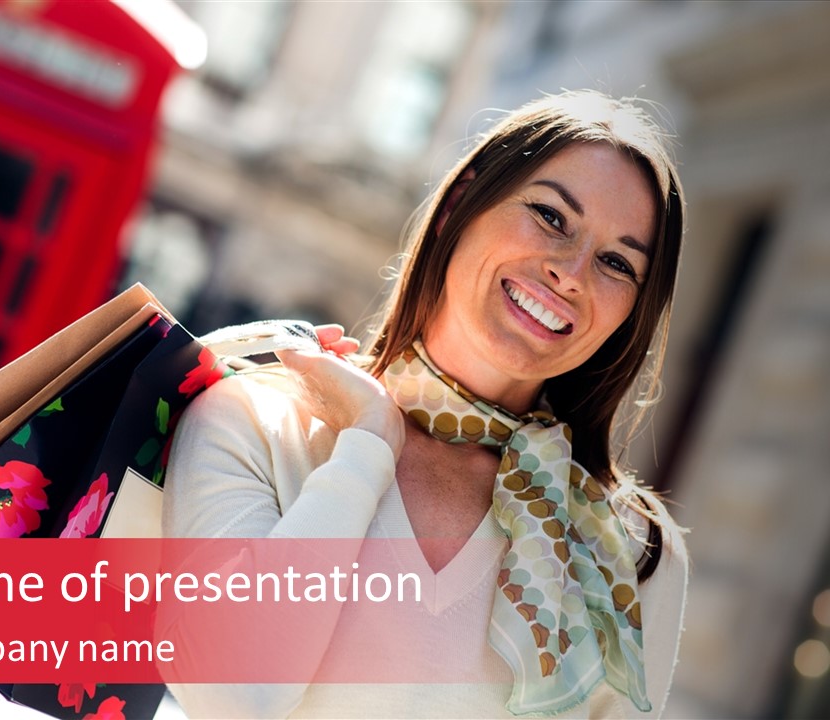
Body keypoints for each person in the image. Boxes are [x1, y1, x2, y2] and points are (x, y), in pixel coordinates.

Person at [161, 89, 688, 719]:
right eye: (551, 216)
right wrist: (367, 447)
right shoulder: (255, 420)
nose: (571, 273)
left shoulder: (630, 550)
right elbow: (233, 694)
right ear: (459, 206)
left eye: (615, 262)